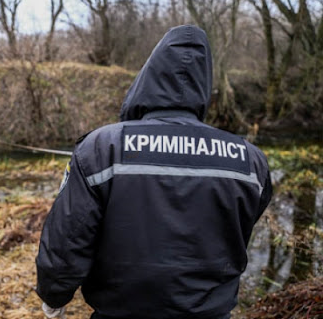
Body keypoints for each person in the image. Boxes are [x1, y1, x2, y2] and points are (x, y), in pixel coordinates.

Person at [35, 25, 272, 319]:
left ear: (147, 77)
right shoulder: (250, 159)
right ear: (204, 85)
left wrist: (54, 294)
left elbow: (69, 235)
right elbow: (240, 227)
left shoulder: (101, 148)